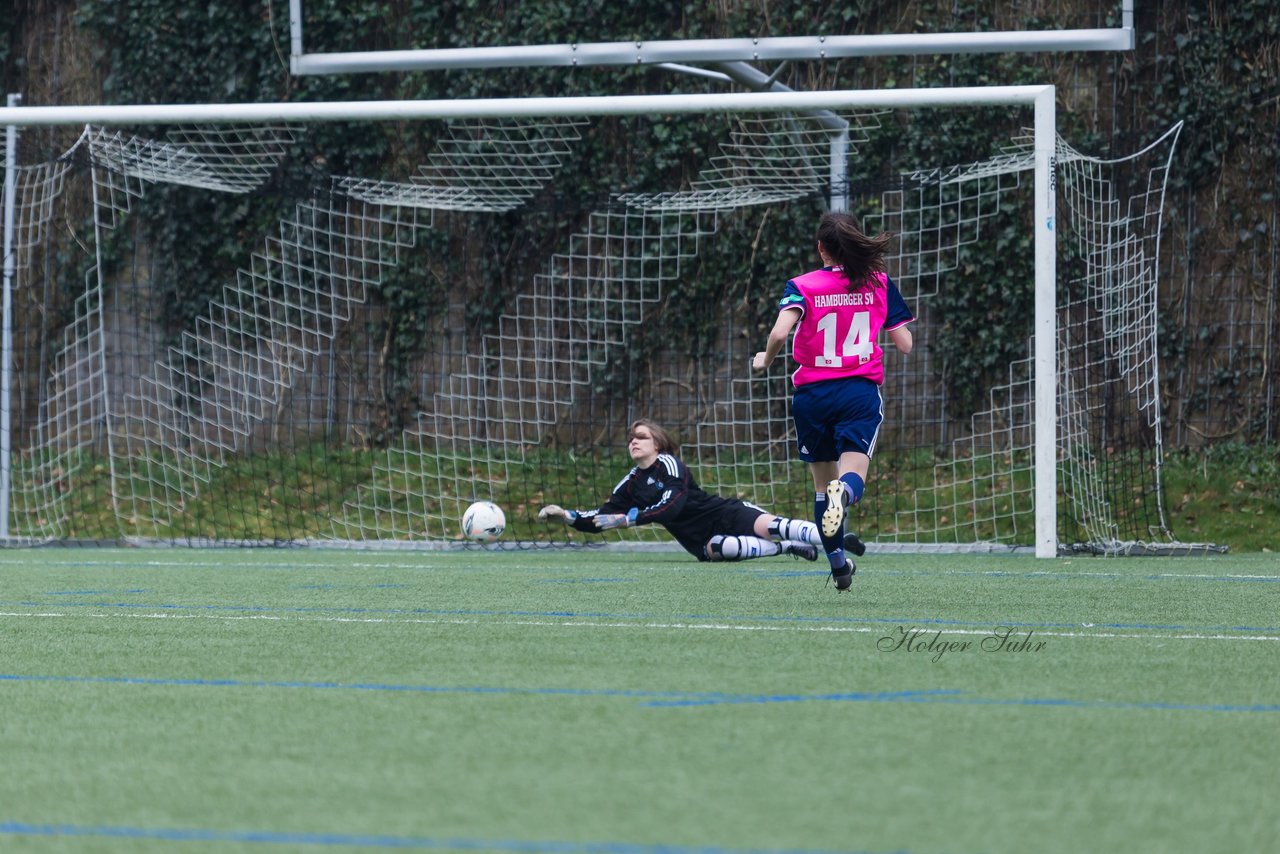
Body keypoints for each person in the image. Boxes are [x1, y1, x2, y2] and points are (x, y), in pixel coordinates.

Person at [752, 211, 914, 592]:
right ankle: (849, 493)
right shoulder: (879, 282)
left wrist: (765, 358)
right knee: (851, 475)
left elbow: (779, 332)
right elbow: (905, 344)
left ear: (821, 247)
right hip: (858, 391)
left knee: (822, 489)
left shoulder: (803, 285)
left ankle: (840, 568)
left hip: (812, 396)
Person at [538, 419, 827, 564]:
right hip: (697, 539)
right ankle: (785, 548)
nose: (634, 442)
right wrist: (567, 516)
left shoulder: (669, 465)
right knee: (720, 550)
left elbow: (672, 506)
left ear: (657, 443)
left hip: (724, 513)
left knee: (774, 526)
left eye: (641, 437)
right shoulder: (629, 484)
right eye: (630, 439)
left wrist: (630, 519)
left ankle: (833, 540)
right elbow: (602, 518)